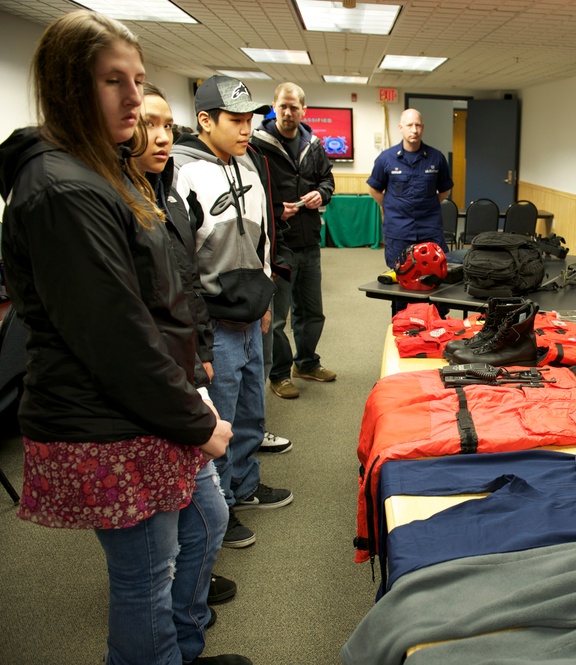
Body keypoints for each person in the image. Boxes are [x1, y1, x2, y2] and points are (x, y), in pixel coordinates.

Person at [0, 11, 248, 665]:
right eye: (114, 81)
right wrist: (195, 418)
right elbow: (115, 334)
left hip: (148, 403)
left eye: (137, 80)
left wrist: (191, 369)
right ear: (66, 85)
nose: (135, 99)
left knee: (203, 526)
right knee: (145, 576)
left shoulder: (106, 167)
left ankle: (184, 648)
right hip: (110, 417)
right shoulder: (60, 188)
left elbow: (164, 284)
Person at [172, 75, 293, 549]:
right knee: (218, 421)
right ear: (206, 121)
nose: (247, 130)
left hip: (250, 313)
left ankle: (244, 485)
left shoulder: (248, 166)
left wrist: (264, 299)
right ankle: (218, 509)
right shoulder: (183, 173)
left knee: (249, 409)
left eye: (249, 120)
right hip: (215, 320)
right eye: (235, 121)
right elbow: (183, 262)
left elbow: (262, 238)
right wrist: (198, 335)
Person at [135, 81, 238, 608]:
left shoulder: (166, 187)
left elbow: (183, 283)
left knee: (203, 513)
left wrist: (199, 351)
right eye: (144, 123)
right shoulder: (113, 202)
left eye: (163, 125)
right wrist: (191, 395)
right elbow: (126, 327)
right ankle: (177, 619)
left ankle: (186, 611)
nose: (159, 137)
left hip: (182, 367)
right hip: (149, 393)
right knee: (150, 560)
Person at [251, 82, 337, 400]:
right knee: (277, 319)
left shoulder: (313, 144)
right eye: (282, 106)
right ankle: (279, 374)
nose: (287, 113)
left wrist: (322, 192)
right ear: (274, 107)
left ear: (304, 110)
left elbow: (327, 179)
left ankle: (307, 363)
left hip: (309, 242)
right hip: (279, 246)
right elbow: (252, 191)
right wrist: (276, 210)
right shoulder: (257, 145)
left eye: (293, 107)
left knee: (312, 311)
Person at [367, 108, 454, 315]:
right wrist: (392, 207)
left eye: (418, 125)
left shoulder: (436, 157)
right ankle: (403, 326)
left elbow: (445, 190)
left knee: (436, 280)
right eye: (409, 125)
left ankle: (438, 326)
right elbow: (374, 189)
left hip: (429, 229)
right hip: (399, 232)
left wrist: (428, 205)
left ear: (422, 127)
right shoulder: (386, 159)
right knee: (401, 283)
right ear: (400, 128)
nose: (414, 130)